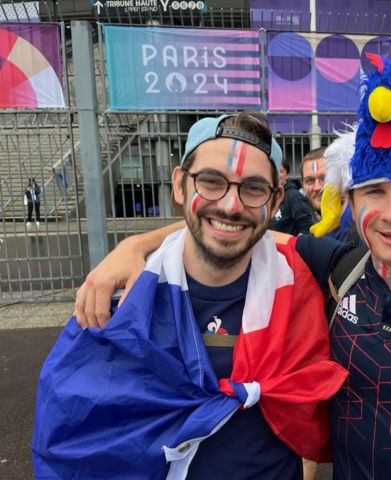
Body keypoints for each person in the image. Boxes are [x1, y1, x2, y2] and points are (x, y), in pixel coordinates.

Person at [75, 57, 391, 479]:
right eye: (374, 192)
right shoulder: (341, 270)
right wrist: (134, 247)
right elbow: (241, 222)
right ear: (349, 202)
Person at [33, 112, 348, 479]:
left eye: (253, 188)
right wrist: (135, 245)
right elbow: (68, 432)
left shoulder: (300, 280)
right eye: (212, 182)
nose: (232, 204)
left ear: (275, 200)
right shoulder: (124, 300)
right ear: (180, 186)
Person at [268, 159, 316, 235]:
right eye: (274, 170)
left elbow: (308, 229)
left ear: (287, 175)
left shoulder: (294, 196)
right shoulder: (267, 196)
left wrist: (293, 245)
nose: (276, 174)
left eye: (280, 171)